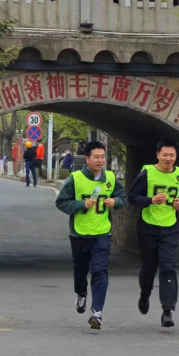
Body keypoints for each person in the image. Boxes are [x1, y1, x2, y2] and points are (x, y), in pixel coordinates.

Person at [55, 141, 126, 330]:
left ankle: (97, 312)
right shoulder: (75, 178)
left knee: (99, 270)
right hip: (79, 233)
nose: (100, 160)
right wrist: (81, 205)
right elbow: (61, 202)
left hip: (102, 233)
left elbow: (122, 196)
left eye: (103, 157)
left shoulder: (110, 178)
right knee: (81, 271)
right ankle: (81, 292)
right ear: (87, 159)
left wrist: (115, 202)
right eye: (96, 157)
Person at [128, 140, 179, 327]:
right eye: (165, 155)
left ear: (176, 156)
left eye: (172, 155)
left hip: (170, 227)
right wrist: (151, 200)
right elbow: (132, 197)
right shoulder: (147, 173)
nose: (168, 159)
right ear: (158, 155)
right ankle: (145, 294)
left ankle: (167, 311)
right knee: (149, 268)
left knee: (168, 267)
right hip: (148, 227)